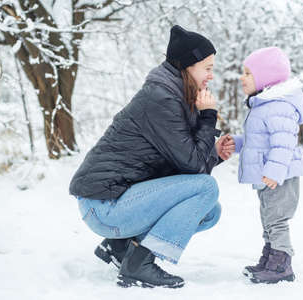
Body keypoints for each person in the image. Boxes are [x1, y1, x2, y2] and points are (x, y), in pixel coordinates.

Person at [69, 25, 235, 289]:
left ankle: (120, 247)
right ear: (187, 67)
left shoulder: (177, 95)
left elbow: (184, 166)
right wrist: (208, 117)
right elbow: (192, 168)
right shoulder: (161, 98)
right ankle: (138, 264)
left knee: (209, 211)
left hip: (118, 201)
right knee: (207, 189)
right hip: (103, 206)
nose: (211, 76)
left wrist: (214, 155)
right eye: (207, 68)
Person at [231, 46, 303, 284]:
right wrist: (235, 143)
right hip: (269, 176)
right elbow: (260, 141)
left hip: (279, 176)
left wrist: (275, 171)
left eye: (248, 73)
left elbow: (283, 144)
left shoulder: (279, 106)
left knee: (276, 220)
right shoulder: (264, 105)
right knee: (269, 218)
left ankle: (281, 264)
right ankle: (270, 257)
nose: (242, 78)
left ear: (265, 77)